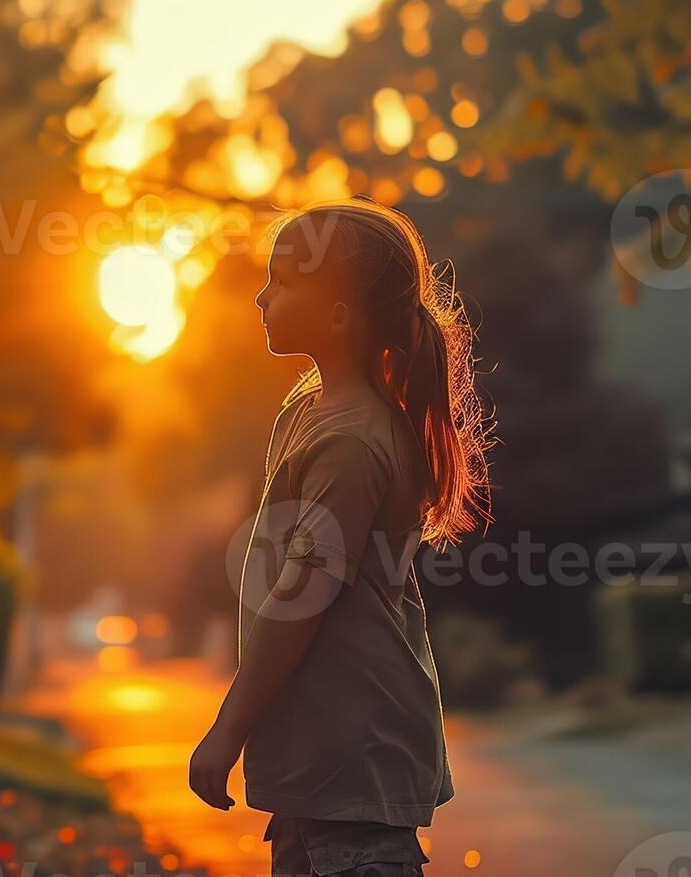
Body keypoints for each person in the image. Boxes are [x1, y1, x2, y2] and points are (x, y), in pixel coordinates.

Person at [187, 199, 493, 877]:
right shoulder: (308, 414)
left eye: (283, 281)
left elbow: (300, 600)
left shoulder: (352, 441)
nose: (262, 296)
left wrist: (228, 729)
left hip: (352, 764)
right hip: (316, 765)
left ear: (337, 313)